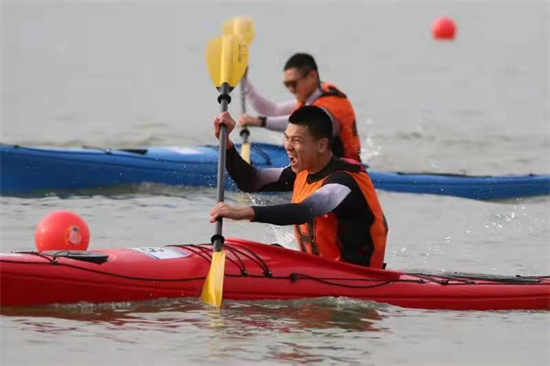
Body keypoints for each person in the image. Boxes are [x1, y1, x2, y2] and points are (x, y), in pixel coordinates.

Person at [210, 106, 388, 268]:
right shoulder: (301, 171)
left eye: (297, 140)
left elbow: (304, 210)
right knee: (263, 253)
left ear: (322, 145)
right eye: (287, 138)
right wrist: (226, 144)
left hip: (357, 279)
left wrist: (243, 212)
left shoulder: (343, 182)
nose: (287, 146)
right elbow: (251, 180)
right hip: (317, 270)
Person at [238, 53, 362, 162]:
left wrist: (260, 122)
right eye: (287, 85)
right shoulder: (310, 100)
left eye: (293, 84)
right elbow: (272, 111)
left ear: (312, 76)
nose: (291, 89)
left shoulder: (330, 107)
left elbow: (304, 123)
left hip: (343, 171)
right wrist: (244, 82)